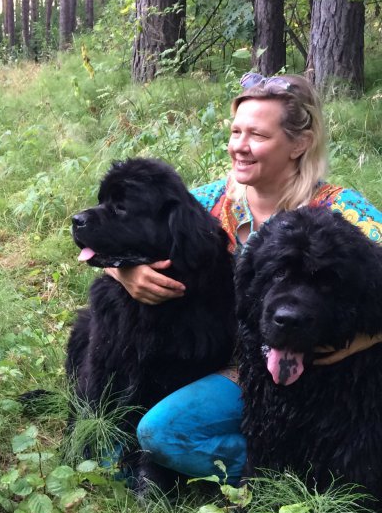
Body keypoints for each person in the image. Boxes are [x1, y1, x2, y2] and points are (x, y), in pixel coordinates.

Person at [105, 73, 382, 482]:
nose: (240, 146)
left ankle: (302, 477)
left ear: (299, 144)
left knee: (162, 433)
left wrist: (363, 339)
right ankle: (268, 471)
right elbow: (107, 233)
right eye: (236, 131)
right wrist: (125, 271)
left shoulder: (342, 210)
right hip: (218, 359)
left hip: (305, 369)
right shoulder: (210, 201)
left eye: (257, 134)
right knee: (141, 434)